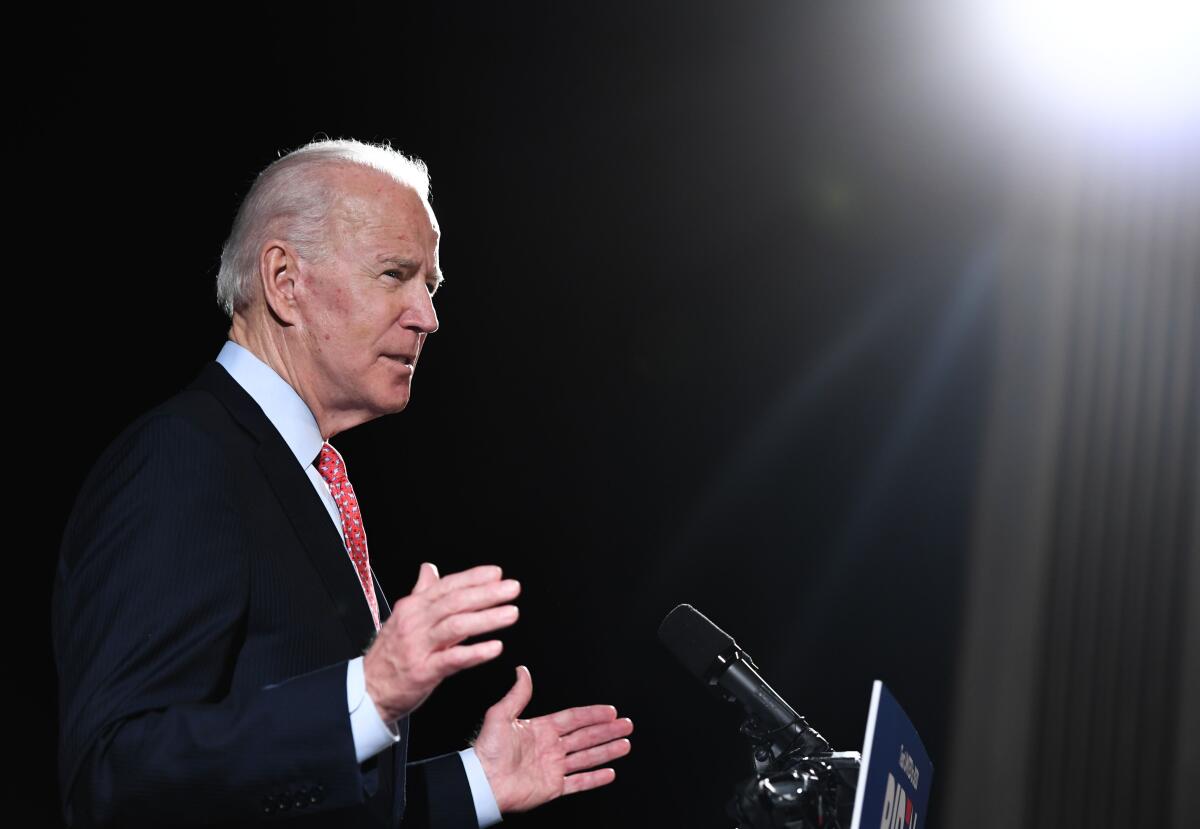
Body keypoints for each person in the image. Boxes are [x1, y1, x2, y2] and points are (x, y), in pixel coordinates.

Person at [51, 138, 633, 828]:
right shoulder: (182, 458)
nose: (428, 315)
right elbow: (113, 777)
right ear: (284, 280)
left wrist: (475, 781)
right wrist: (372, 690)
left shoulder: (307, 478)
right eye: (395, 274)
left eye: (432, 286)